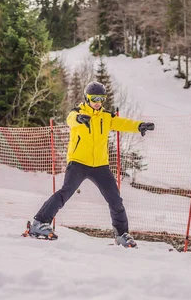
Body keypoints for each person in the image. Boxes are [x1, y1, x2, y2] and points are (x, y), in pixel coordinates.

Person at [28, 81, 155, 247]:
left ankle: (122, 234)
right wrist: (80, 118)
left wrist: (139, 126)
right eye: (94, 98)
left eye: (101, 98)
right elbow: (70, 120)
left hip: (100, 165)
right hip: (79, 162)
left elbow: (122, 123)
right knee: (65, 192)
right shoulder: (78, 113)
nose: (97, 101)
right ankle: (39, 223)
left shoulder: (106, 116)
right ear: (87, 98)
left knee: (115, 199)